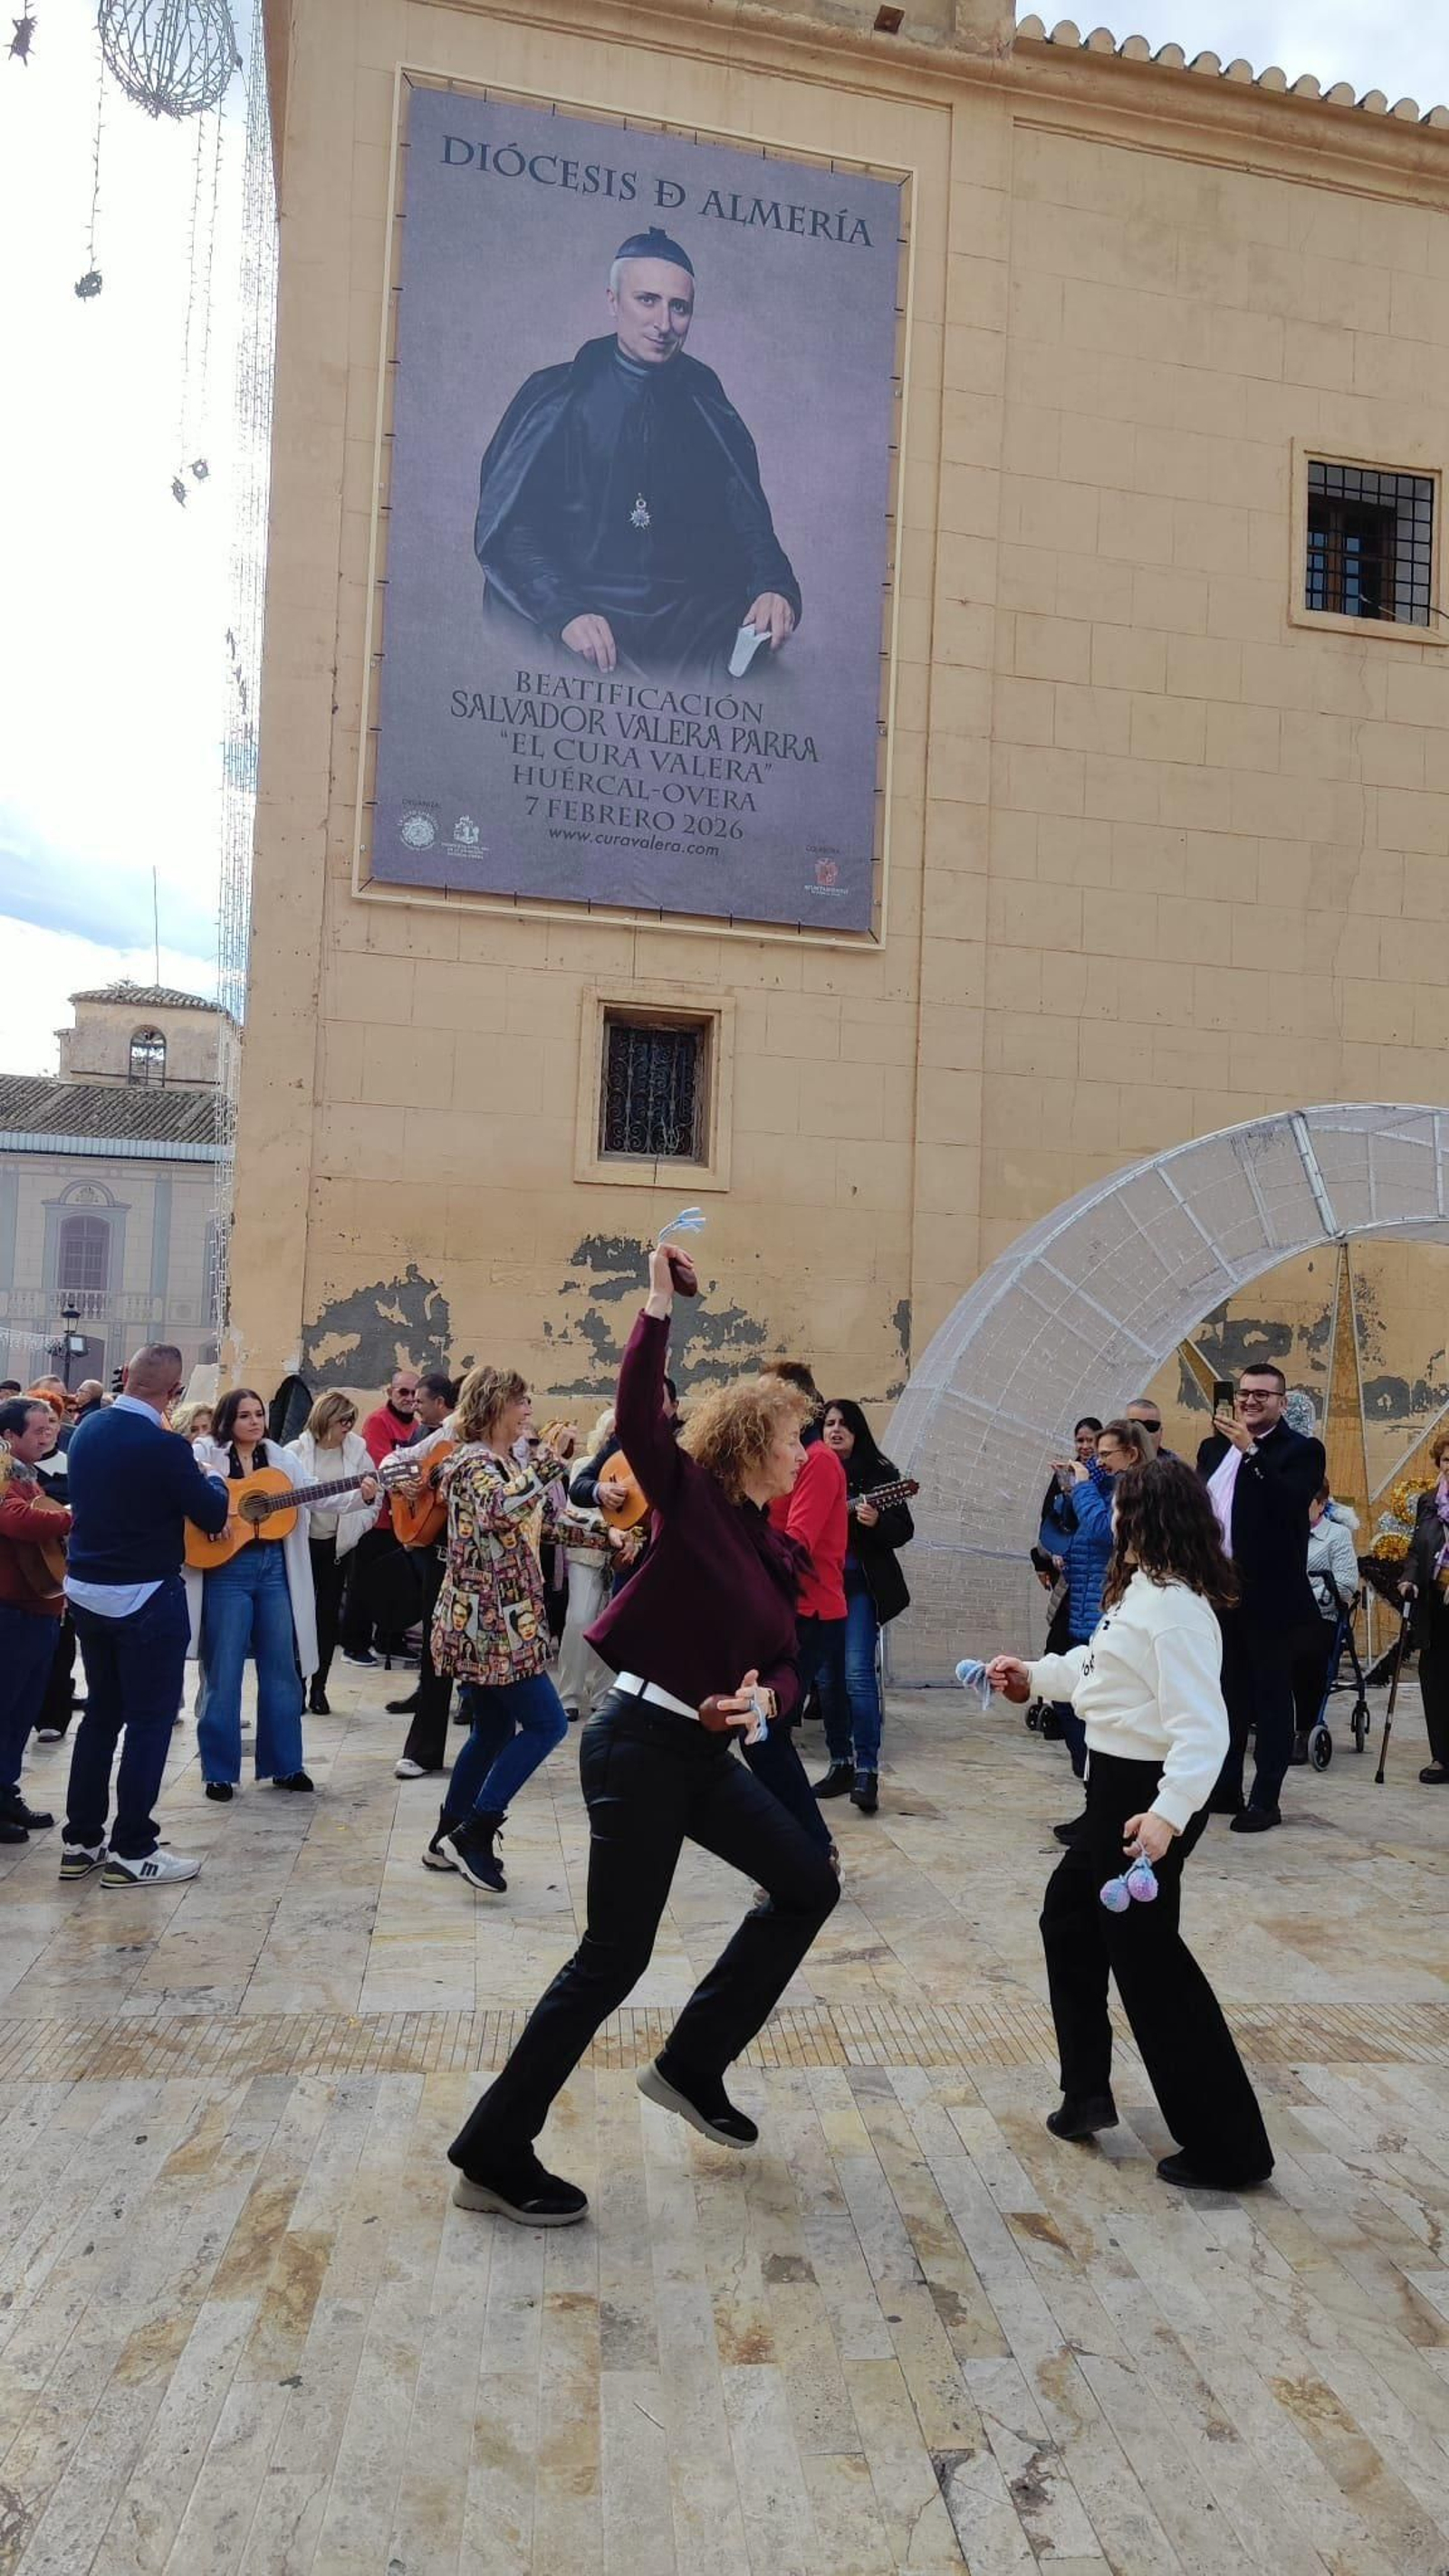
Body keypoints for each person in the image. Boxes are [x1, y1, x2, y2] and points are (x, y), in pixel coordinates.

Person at [445, 1245, 840, 2227]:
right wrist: (657, 1307)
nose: (808, 1451)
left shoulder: (769, 1543)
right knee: (611, 1959)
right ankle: (494, 2151)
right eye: (796, 1437)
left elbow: (790, 1662)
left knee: (808, 1882)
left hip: (703, 1754)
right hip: (636, 1747)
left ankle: (691, 2064)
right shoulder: (694, 1502)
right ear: (751, 1442)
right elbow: (636, 1412)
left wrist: (765, 1706)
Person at [988, 1456, 1273, 2193]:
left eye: (1120, 1504)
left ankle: (1230, 2148)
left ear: (1144, 1517)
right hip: (1114, 1793)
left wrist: (1167, 1817)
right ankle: (1085, 2091)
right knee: (1068, 1921)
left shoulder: (1176, 1608)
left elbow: (1205, 1732)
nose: (1109, 1514)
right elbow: (1100, 1667)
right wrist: (1034, 1675)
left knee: (1152, 1969)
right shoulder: (1143, 1591)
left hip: (1144, 1801)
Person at [474, 228, 801, 683]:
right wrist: (564, 611)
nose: (663, 324)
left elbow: (744, 516)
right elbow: (509, 529)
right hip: (584, 612)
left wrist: (773, 586)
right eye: (647, 300)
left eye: (678, 307)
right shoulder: (554, 396)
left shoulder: (707, 401)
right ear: (613, 301)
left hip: (689, 622)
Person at [61, 1342, 230, 1888]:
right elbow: (209, 1514)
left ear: (127, 1376)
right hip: (144, 1596)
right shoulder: (165, 1447)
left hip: (88, 1590)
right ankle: (134, 1848)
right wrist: (213, 1478)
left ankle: (81, 1840)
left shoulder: (87, 1429)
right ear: (174, 1392)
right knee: (151, 1721)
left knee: (101, 1716)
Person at [422, 1369, 586, 1890]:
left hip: (501, 1621)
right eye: (521, 1401)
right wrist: (551, 1464)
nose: (529, 1410)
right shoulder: (473, 1465)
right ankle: (478, 1828)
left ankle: (446, 1837)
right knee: (548, 1725)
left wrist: (610, 1534)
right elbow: (499, 1510)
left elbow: (535, 1522)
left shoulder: (505, 1464)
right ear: (495, 1406)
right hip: (489, 1627)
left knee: (492, 1731)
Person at [1197, 1365, 1325, 1832]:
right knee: (1225, 1695)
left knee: (1271, 1698)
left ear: (1281, 1402)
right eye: (1244, 1393)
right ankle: (1225, 1787)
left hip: (1269, 1596)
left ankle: (1265, 1799)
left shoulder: (1301, 1451)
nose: (1250, 1401)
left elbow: (1291, 1501)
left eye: (1261, 1395)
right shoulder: (1212, 1448)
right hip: (1217, 1590)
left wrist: (1249, 1449)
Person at [189, 1389, 331, 1801]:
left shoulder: (281, 1459)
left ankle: (286, 1765)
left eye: (259, 1415)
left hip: (274, 1570)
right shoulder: (207, 1450)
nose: (255, 1422)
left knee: (282, 1670)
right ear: (227, 1419)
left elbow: (314, 1492)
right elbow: (188, 1470)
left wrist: (361, 1493)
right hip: (226, 1570)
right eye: (245, 1415)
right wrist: (215, 1503)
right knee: (224, 1670)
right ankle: (218, 1771)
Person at [1040, 1419, 1151, 1837]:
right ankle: (1095, 1794)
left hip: (1107, 1612)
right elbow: (1063, 1532)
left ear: (1131, 1454)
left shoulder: (1135, 1491)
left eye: (1106, 1454)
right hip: (1082, 1607)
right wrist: (1067, 1491)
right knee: (1069, 1702)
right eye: (1094, 1452)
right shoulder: (1100, 1485)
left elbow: (1107, 1533)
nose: (1096, 1459)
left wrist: (1084, 1486)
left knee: (1094, 1711)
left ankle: (1103, 1807)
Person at [812, 1399, 914, 1811]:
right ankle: (840, 1761)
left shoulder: (879, 1475)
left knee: (857, 1674)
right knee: (827, 1680)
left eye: (844, 1425)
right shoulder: (807, 1470)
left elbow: (903, 1529)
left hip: (858, 1590)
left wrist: (877, 1523)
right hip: (819, 1588)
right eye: (829, 1423)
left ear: (857, 1431)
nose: (835, 1430)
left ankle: (866, 1769)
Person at [0, 1396, 72, 1841]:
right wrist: (70, 1517)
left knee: (21, 1711)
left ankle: (6, 1792)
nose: (48, 1435)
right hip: (11, 1611)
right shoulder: (5, 1474)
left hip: (38, 1606)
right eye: (38, 1430)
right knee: (5, 1709)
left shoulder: (30, 1476)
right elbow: (17, 1522)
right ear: (9, 1436)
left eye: (52, 1428)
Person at [284, 1392, 380, 1717]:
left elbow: (373, 1499)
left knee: (327, 1620)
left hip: (338, 1547)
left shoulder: (357, 1452)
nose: (348, 1427)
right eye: (343, 1420)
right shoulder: (294, 1452)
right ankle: (295, 1687)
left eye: (351, 1421)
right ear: (326, 1418)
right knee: (299, 1618)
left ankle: (319, 1688)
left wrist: (358, 1524)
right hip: (301, 1544)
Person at [388, 1370, 464, 1775]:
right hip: (442, 1558)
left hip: (489, 1570)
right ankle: (422, 1750)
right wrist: (412, 1485)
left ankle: (493, 1747)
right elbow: (392, 1463)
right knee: (437, 1656)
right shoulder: (448, 1435)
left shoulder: (515, 1447)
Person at [341, 1367, 421, 1666]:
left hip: (404, 1521)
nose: (409, 1398)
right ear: (390, 1392)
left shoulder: (416, 1429)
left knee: (397, 1583)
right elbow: (383, 1468)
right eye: (403, 1392)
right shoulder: (377, 1422)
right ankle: (354, 1644)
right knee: (363, 1583)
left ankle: (390, 1639)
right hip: (376, 1519)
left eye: (415, 1393)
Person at [1291, 1486, 1360, 1761]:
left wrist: (1304, 1597)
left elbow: (1345, 1585)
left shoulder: (1337, 1536)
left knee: (1306, 1652)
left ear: (1320, 1504)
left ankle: (1305, 1728)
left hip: (1322, 1617)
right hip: (1285, 1615)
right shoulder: (1285, 1534)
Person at [1401, 1431, 1449, 1784]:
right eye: (1447, 1460)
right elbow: (1417, 1550)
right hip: (1437, 1603)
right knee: (1434, 1678)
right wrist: (1409, 1578)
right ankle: (1441, 1757)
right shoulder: (1429, 1502)